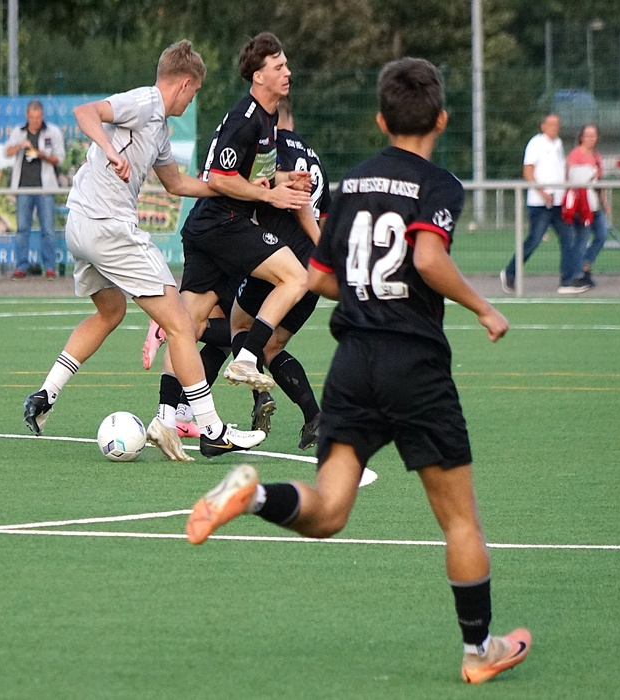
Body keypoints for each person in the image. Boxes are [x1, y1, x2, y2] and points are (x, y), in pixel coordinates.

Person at [184, 58, 531, 685]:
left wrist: (367, 289)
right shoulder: (439, 184)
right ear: (441, 120)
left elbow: (319, 278)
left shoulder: (350, 184)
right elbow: (428, 258)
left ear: (380, 120)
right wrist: (483, 306)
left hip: (353, 363)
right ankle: (479, 649)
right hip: (413, 364)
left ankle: (252, 495)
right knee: (460, 520)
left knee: (329, 510)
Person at [21, 40, 266, 461]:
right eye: (194, 92)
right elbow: (85, 113)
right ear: (184, 84)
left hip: (81, 225)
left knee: (110, 312)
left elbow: (176, 184)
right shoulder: (146, 103)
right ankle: (212, 430)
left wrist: (235, 188)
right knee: (181, 325)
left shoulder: (160, 131)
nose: (192, 100)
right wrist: (110, 151)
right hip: (108, 226)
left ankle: (46, 393)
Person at [152, 32, 313, 435]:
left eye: (286, 65)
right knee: (296, 276)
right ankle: (247, 356)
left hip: (207, 226)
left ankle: (165, 420)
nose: (287, 72)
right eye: (279, 66)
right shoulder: (247, 119)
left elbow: (251, 174)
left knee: (186, 326)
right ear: (259, 76)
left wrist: (283, 179)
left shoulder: (267, 118)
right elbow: (220, 179)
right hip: (223, 222)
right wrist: (272, 196)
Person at [231, 95, 329, 449]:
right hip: (312, 265)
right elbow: (325, 214)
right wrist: (323, 252)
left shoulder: (277, 146)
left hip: (279, 253)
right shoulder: (315, 158)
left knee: (239, 324)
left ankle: (259, 395)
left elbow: (296, 200)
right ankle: (314, 416)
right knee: (272, 346)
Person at [499, 113, 588, 295]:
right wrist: (542, 192)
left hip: (558, 203)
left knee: (568, 239)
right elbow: (528, 172)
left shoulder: (558, 144)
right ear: (543, 126)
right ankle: (510, 272)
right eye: (551, 124)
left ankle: (567, 281)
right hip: (540, 205)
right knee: (534, 239)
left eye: (557, 124)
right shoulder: (536, 144)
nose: (555, 128)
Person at [5, 100, 65, 279]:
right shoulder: (19, 132)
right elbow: (7, 152)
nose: (35, 121)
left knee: (48, 230)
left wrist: (41, 154)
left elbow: (59, 159)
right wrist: (20, 146)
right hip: (23, 188)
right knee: (22, 229)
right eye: (32, 118)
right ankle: (21, 267)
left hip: (45, 188)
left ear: (42, 115)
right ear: (27, 115)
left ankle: (50, 268)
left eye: (38, 118)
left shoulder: (52, 132)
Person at [565, 124, 609, 288]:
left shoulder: (597, 156)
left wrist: (605, 202)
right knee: (581, 239)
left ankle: (584, 266)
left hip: (595, 205)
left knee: (602, 235)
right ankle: (577, 274)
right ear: (581, 137)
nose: (591, 138)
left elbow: (599, 182)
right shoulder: (575, 155)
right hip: (581, 206)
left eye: (593, 135)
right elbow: (573, 178)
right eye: (587, 135)